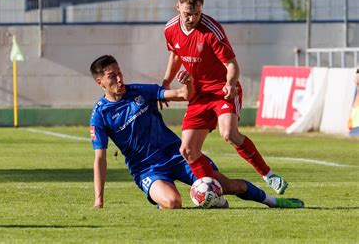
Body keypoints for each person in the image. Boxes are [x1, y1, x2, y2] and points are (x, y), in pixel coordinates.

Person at [89, 55, 303, 209]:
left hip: (177, 155)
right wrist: (99, 199)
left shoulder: (141, 91)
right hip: (146, 169)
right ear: (100, 83)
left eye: (119, 73)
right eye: (112, 77)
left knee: (228, 185)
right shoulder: (100, 115)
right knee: (173, 202)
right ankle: (203, 199)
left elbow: (184, 95)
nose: (119, 79)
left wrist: (189, 83)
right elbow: (100, 159)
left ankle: (273, 202)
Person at [161, 0, 288, 195]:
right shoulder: (170, 29)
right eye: (187, 14)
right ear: (178, 7)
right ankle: (211, 193)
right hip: (199, 95)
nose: (192, 18)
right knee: (187, 150)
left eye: (197, 13)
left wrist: (230, 84)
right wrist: (166, 82)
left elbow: (232, 65)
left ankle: (268, 174)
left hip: (222, 90)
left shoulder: (212, 30)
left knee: (228, 133)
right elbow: (175, 54)